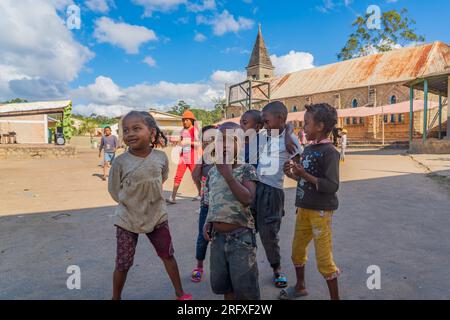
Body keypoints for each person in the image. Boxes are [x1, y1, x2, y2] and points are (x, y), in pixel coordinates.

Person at [108, 111, 192, 301]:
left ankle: (180, 293)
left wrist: (149, 199)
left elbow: (161, 178)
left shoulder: (161, 157)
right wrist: (132, 204)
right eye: (126, 130)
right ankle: (115, 297)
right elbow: (114, 191)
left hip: (157, 216)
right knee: (123, 263)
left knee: (168, 255)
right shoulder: (120, 162)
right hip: (127, 219)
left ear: (152, 132)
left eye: (136, 128)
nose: (130, 133)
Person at [281, 103, 340, 300]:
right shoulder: (308, 149)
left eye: (307, 123)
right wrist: (291, 174)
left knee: (324, 259)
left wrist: (304, 174)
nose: (303, 127)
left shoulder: (330, 152)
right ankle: (300, 286)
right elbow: (304, 180)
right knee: (297, 252)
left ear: (320, 126)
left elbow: (331, 185)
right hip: (303, 209)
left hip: (320, 212)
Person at [203, 122, 260, 300]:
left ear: (241, 144)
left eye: (231, 140)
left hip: (240, 239)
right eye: (220, 140)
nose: (224, 145)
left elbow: (248, 198)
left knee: (245, 288)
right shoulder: (212, 172)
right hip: (218, 240)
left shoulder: (246, 169)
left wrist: (228, 176)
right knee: (225, 285)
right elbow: (211, 202)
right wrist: (208, 222)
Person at [254, 101, 302, 289]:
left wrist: (291, 172)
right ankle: (246, 267)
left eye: (266, 121)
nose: (264, 125)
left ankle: (277, 268)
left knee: (269, 234)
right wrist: (288, 131)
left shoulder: (291, 142)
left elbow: (300, 169)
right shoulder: (264, 135)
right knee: (247, 230)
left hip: (272, 191)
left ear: (280, 118)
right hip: (253, 187)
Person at [190, 125, 217, 283]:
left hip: (224, 206)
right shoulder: (203, 159)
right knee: (203, 235)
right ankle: (199, 265)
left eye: (213, 138)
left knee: (222, 237)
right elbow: (196, 177)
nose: (209, 142)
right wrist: (201, 190)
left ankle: (224, 267)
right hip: (207, 204)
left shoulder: (226, 156)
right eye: (206, 140)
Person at [167, 110, 201, 204]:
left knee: (196, 176)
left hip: (192, 156)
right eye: (183, 120)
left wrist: (188, 142)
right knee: (178, 176)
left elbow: (198, 143)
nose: (184, 122)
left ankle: (201, 194)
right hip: (183, 156)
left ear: (191, 120)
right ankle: (172, 197)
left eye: (186, 120)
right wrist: (178, 143)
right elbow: (181, 142)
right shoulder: (182, 131)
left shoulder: (195, 130)